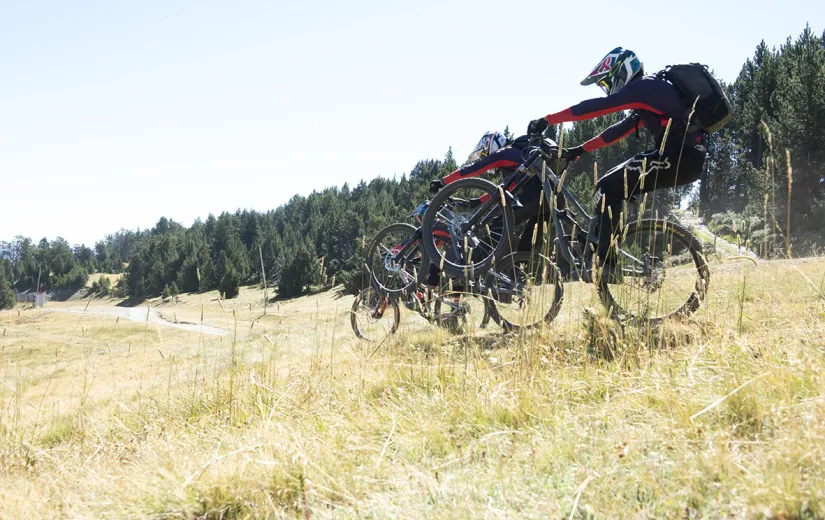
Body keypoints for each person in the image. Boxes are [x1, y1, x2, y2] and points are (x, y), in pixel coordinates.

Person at [527, 47, 713, 281]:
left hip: (680, 158)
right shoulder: (647, 94)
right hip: (678, 157)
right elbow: (615, 132)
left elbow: (595, 108)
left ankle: (609, 265)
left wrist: (548, 119)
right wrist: (578, 150)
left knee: (609, 188)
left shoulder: (644, 87)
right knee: (607, 185)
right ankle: (600, 244)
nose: (606, 89)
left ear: (621, 71)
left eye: (606, 82)